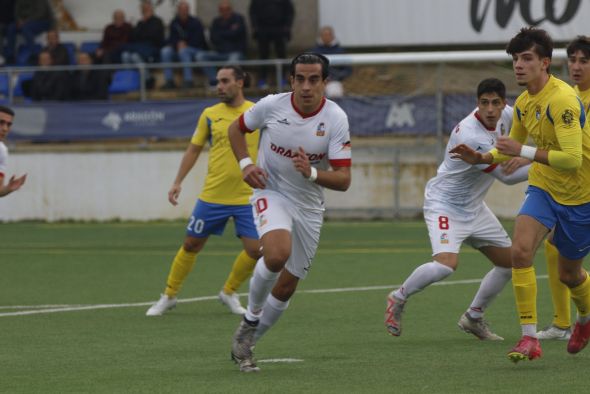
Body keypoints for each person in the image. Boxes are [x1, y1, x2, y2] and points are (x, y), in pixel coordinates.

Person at [450, 27, 590, 362]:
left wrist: (524, 151)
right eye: (515, 59)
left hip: (580, 196)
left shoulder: (563, 101)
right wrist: (482, 158)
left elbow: (571, 160)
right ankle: (529, 337)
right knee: (521, 250)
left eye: (526, 58)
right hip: (543, 187)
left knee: (569, 274)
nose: (518, 65)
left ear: (544, 62)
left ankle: (584, 320)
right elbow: (507, 148)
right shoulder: (525, 103)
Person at [228, 52, 352, 372]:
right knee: (276, 254)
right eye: (300, 79)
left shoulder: (336, 119)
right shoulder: (272, 105)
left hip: (309, 205)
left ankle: (247, 344)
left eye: (314, 79)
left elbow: (343, 180)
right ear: (291, 80)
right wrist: (246, 165)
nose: (306, 86)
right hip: (271, 191)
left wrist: (310, 172)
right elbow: (235, 130)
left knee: (286, 287)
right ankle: (250, 319)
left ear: (325, 82)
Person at [384, 78, 530, 341]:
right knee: (446, 265)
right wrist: (550, 162)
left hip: (474, 207)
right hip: (445, 206)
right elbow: (507, 177)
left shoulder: (511, 115)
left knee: (509, 265)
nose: (490, 109)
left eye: (495, 103)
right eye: (484, 103)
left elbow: (530, 136)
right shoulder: (470, 135)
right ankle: (398, 297)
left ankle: (473, 318)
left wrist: (528, 153)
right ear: (477, 104)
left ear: (504, 104)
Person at [146, 65, 261, 317]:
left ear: (240, 82)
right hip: (213, 195)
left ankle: (229, 291)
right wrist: (177, 181)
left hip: (248, 196)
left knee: (256, 250)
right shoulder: (209, 114)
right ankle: (169, 295)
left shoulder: (256, 112)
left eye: (224, 81)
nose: (219, 86)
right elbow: (193, 149)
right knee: (191, 244)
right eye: (217, 81)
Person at [535, 35, 590, 341]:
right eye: (573, 60)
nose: (576, 66)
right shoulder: (566, 96)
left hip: (584, 191)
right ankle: (561, 323)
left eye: (584, 60)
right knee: (553, 246)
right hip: (572, 189)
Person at [196, 0, 247, 89]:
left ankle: (226, 84)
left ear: (231, 9)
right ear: (219, 11)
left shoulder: (238, 19)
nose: (225, 11)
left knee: (233, 60)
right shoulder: (216, 21)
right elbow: (213, 38)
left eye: (227, 9)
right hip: (219, 52)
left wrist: (223, 35)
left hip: (235, 52)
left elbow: (238, 34)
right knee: (200, 56)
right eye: (222, 9)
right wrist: (230, 33)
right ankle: (214, 81)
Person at [160, 0, 207, 89]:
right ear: (178, 10)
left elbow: (199, 40)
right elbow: (171, 39)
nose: (183, 11)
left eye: (185, 9)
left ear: (188, 10)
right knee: (165, 51)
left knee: (183, 51)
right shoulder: (174, 22)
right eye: (181, 9)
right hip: (178, 48)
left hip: (194, 49)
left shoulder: (196, 22)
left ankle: (188, 80)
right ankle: (169, 81)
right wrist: (177, 44)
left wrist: (186, 44)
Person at [248, 0, 294, 89]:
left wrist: (287, 27)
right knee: (263, 55)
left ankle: (282, 79)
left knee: (281, 54)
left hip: (279, 28)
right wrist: (255, 27)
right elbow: (252, 12)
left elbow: (290, 12)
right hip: (263, 28)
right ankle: (262, 80)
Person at [121, 0, 165, 89]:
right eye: (143, 9)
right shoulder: (140, 23)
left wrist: (143, 31)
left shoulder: (157, 21)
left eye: (147, 9)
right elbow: (134, 37)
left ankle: (148, 79)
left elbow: (155, 37)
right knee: (125, 55)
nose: (145, 11)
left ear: (151, 10)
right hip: (139, 48)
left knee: (134, 56)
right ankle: (131, 80)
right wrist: (142, 24)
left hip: (152, 49)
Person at [3, 0, 54, 65]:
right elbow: (16, 12)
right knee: (11, 28)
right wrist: (19, 20)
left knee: (26, 28)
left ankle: (34, 55)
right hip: (25, 22)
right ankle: (10, 56)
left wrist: (25, 22)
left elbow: (40, 13)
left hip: (41, 21)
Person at [311, 26, 352, 98]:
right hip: (317, 81)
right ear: (321, 36)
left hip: (334, 81)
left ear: (332, 36)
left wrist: (335, 77)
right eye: (324, 35)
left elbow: (347, 69)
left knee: (335, 93)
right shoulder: (314, 51)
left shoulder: (340, 51)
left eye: (328, 35)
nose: (326, 37)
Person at [0, 106, 26, 198]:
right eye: (1, 122)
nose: (5, 129)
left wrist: (8, 188)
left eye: (8, 125)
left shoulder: (2, 151)